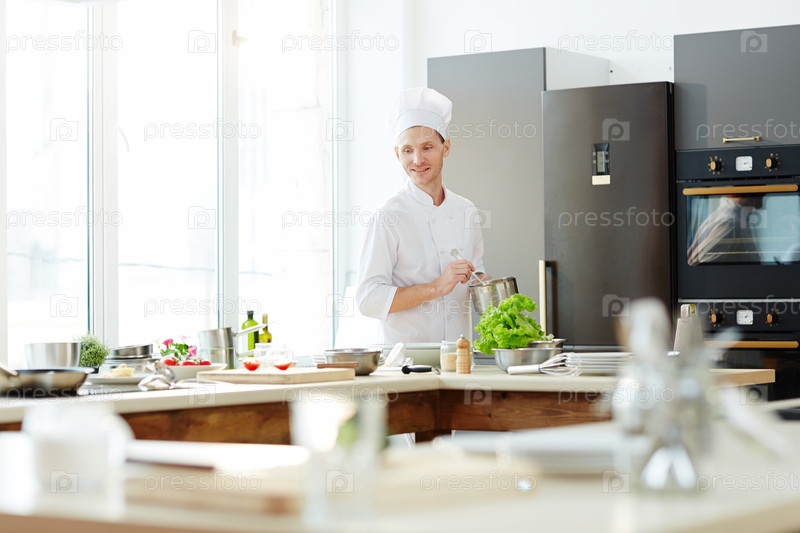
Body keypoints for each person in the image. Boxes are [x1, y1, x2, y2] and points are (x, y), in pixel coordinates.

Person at [355, 87, 489, 344]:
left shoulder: (466, 211)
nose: (417, 160)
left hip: (457, 356)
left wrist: (484, 284)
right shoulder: (388, 217)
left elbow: (475, 272)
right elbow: (368, 300)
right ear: (397, 154)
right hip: (407, 361)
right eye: (407, 150)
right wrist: (437, 287)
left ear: (446, 148)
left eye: (427, 147)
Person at [687, 194, 764, 266]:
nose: (761, 206)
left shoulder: (735, 220)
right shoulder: (731, 224)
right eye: (761, 195)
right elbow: (701, 267)